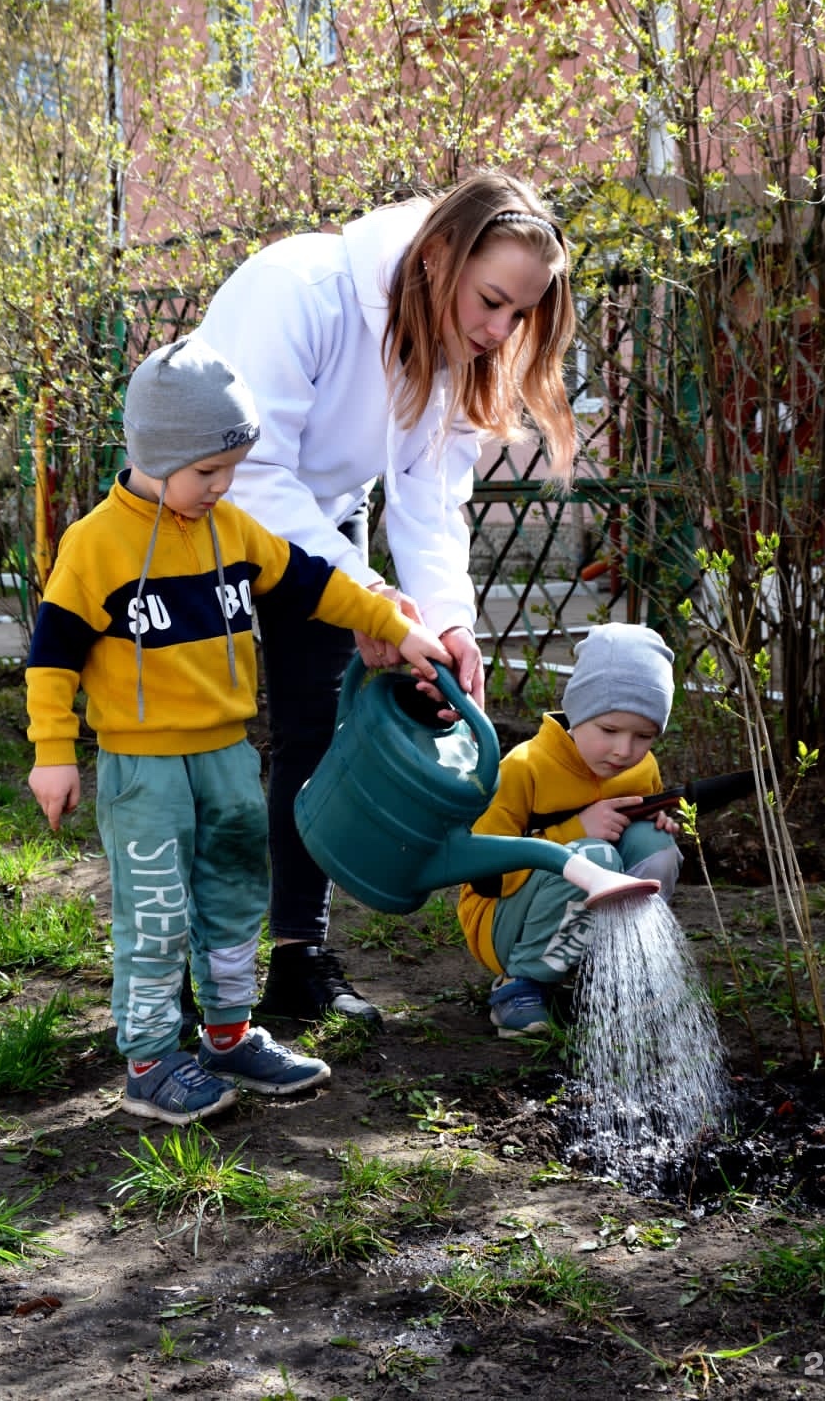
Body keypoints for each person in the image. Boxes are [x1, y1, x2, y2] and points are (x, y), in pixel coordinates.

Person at [25, 336, 453, 1125]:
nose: (221, 489)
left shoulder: (233, 529)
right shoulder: (93, 547)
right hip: (144, 769)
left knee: (232, 896)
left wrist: (395, 623)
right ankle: (151, 1059)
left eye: (231, 471)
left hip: (226, 759)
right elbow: (51, 659)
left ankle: (227, 1035)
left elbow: (317, 584)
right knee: (155, 914)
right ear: (155, 453)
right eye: (207, 474)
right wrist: (54, 754)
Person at [196, 170, 577, 1024]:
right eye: (492, 301)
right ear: (438, 255)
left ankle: (299, 961)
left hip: (319, 521)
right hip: (202, 519)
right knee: (203, 743)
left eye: (520, 315)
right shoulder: (302, 289)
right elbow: (252, 476)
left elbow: (430, 501)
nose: (499, 330)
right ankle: (189, 975)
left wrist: (442, 622)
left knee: (313, 734)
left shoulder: (450, 349)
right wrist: (368, 595)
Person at [457, 623, 684, 1039]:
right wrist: (573, 831)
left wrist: (657, 823)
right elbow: (483, 870)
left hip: (576, 919)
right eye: (610, 731)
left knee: (657, 847)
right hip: (503, 925)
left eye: (644, 737)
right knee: (593, 857)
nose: (624, 751)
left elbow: (637, 843)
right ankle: (520, 984)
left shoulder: (641, 769)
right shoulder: (525, 768)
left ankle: (616, 972)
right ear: (579, 713)